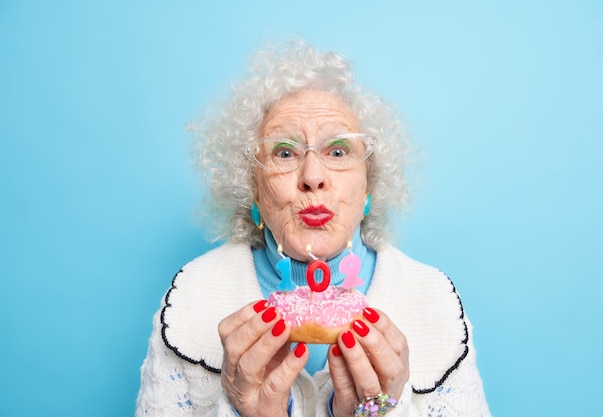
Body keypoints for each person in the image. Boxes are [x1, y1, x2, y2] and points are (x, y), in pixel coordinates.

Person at [136, 40, 491, 417]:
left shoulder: (433, 301)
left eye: (338, 151)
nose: (313, 177)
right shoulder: (193, 295)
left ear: (368, 186)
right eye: (284, 152)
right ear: (252, 188)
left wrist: (382, 412)